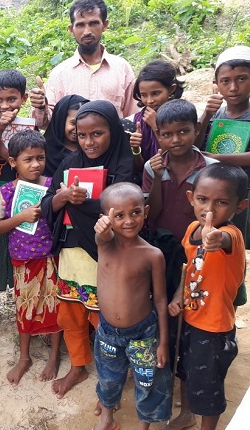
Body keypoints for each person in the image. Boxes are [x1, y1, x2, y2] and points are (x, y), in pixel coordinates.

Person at [41, 100, 133, 401]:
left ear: (113, 131)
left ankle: (111, 382)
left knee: (104, 321)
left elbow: (123, 213)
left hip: (106, 255)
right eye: (82, 135)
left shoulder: (123, 165)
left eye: (97, 134)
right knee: (71, 315)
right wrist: (63, 197)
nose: (89, 142)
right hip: (71, 253)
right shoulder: (70, 163)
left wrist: (80, 204)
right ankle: (79, 365)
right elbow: (47, 205)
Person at [167, 164, 248, 430]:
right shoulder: (192, 229)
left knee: (209, 384)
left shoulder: (232, 237)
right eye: (202, 200)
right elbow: (187, 270)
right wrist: (178, 295)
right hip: (189, 319)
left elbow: (222, 239)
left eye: (222, 202)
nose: (209, 210)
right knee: (185, 371)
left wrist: (215, 238)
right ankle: (187, 414)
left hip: (213, 328)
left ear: (240, 206)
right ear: (191, 198)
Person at [92, 183, 171, 430]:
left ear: (146, 211)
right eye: (118, 215)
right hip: (107, 331)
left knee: (147, 381)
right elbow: (101, 235)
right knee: (108, 378)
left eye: (135, 212)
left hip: (143, 333)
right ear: (106, 219)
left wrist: (164, 342)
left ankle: (143, 425)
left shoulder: (153, 255)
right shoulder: (105, 243)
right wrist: (102, 229)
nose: (128, 220)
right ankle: (107, 417)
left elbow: (160, 299)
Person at [0, 130, 62, 385]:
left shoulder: (53, 186)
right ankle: (24, 357)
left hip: (51, 257)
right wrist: (20, 218)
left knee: (54, 306)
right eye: (28, 159)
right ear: (12, 163)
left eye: (40, 158)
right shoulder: (5, 193)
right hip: (22, 259)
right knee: (24, 308)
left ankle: (54, 355)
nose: (35, 164)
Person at [0, 68, 33, 350]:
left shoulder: (29, 124)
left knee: (23, 246)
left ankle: (26, 314)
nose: (5, 106)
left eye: (11, 100)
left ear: (22, 99)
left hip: (24, 191)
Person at [143, 99, 217, 298]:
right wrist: (158, 178)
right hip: (162, 247)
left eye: (183, 131)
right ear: (158, 135)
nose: (176, 139)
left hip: (199, 248)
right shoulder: (153, 167)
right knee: (164, 299)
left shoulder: (211, 169)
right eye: (167, 134)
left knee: (195, 299)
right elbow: (151, 213)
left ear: (197, 129)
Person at [29, 0, 137, 130]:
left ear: (105, 25)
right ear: (71, 29)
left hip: (114, 149)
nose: (87, 31)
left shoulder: (122, 68)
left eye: (93, 23)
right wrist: (40, 106)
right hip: (73, 150)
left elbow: (134, 117)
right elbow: (45, 124)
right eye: (80, 25)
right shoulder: (60, 73)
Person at [196, 45, 250, 253]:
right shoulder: (217, 114)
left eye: (242, 79)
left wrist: (218, 158)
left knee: (236, 244)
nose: (233, 88)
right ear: (217, 84)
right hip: (214, 194)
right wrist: (206, 115)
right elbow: (197, 145)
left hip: (242, 193)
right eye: (225, 81)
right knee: (210, 243)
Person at [130, 60, 185, 173]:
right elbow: (140, 168)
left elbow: (177, 160)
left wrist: (156, 126)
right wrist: (136, 149)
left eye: (155, 93)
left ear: (171, 89)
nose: (149, 101)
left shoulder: (183, 117)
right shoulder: (136, 121)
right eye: (144, 95)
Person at [43, 94, 89, 177]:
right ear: (61, 120)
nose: (78, 129)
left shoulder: (91, 149)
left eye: (84, 124)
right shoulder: (43, 150)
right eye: (73, 123)